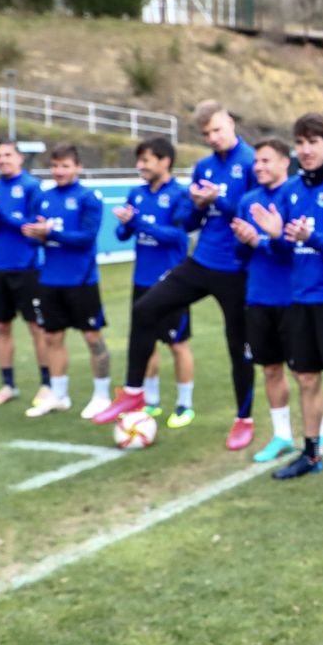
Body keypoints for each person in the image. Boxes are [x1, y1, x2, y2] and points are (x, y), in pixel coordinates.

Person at [93, 101, 258, 450]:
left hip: (240, 270)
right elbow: (188, 223)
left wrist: (221, 202)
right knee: (145, 308)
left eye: (217, 129)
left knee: (237, 348)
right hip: (202, 262)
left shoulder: (252, 162)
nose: (213, 138)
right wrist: (198, 206)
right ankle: (134, 393)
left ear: (230, 121)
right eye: (206, 134)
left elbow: (255, 215)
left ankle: (243, 419)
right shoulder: (203, 167)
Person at [256, 113, 323, 487]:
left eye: (313, 141)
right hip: (299, 300)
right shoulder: (289, 191)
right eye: (300, 142)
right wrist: (275, 238)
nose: (306, 149)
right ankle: (311, 453)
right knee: (305, 378)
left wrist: (309, 238)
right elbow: (287, 253)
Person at [114, 136, 198, 428]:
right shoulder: (136, 193)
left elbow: (177, 236)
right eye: (139, 160)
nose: (140, 166)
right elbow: (122, 235)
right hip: (141, 280)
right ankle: (150, 402)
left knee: (177, 344)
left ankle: (185, 404)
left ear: (165, 161)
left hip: (172, 282)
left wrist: (138, 223)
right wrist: (125, 224)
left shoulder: (180, 195)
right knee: (145, 344)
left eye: (146, 160)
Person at [21, 144, 110, 418]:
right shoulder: (43, 198)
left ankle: (102, 395)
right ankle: (58, 395)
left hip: (81, 280)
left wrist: (50, 234)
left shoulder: (88, 198)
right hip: (50, 279)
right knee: (52, 337)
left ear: (78, 167)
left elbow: (86, 238)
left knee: (93, 337)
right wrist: (34, 234)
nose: (59, 171)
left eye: (65, 165)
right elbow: (34, 234)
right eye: (55, 165)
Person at [226, 137, 300, 464]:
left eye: (266, 161)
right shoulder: (248, 200)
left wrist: (262, 241)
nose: (259, 167)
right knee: (270, 369)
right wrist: (246, 242)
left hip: (293, 297)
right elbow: (240, 255)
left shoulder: (296, 195)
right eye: (256, 162)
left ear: (285, 162)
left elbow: (293, 252)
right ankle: (282, 434)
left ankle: (319, 432)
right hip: (258, 296)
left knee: (304, 372)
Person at [0, 139, 48, 408]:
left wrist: (1, 215)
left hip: (26, 267)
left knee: (37, 327)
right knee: (2, 326)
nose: (2, 160)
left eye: (7, 155)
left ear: (20, 159)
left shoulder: (32, 188)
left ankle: (47, 385)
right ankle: (8, 385)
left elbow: (33, 229)